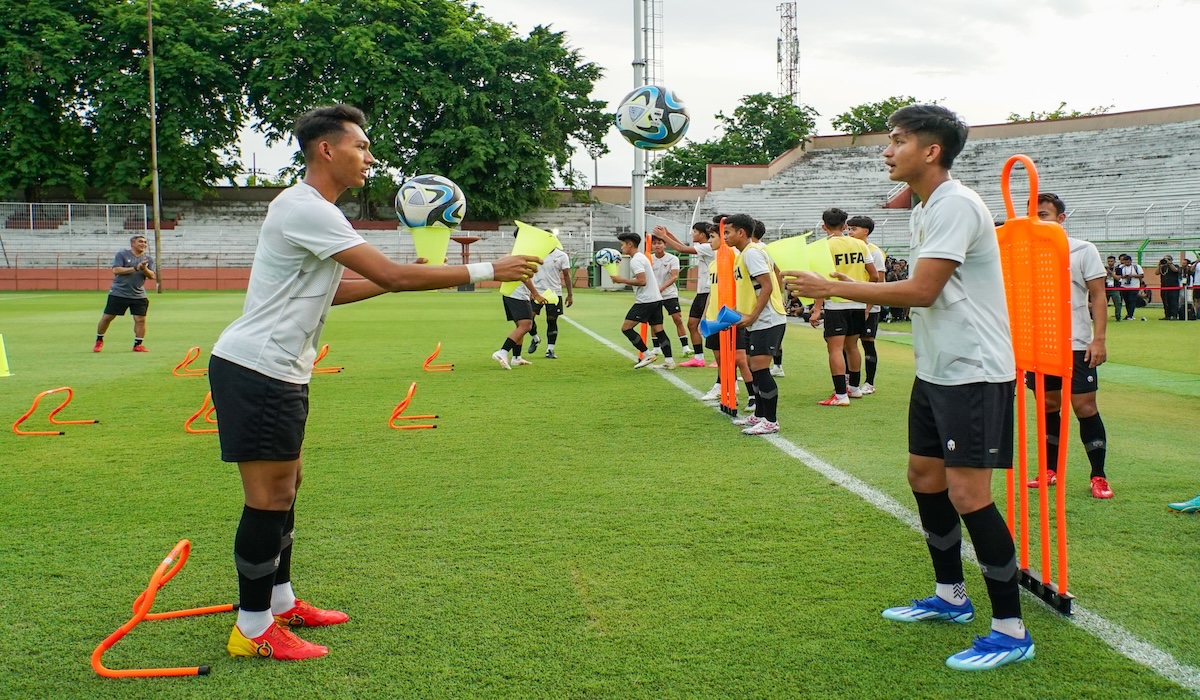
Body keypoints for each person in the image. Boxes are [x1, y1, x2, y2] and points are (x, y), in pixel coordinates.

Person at [208, 104, 537, 662]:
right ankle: (253, 627)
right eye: (360, 147)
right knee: (267, 499)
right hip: (257, 368)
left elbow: (340, 290)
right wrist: (485, 271)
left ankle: (280, 603)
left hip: (281, 368)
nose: (369, 157)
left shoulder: (316, 211)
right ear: (326, 150)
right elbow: (389, 273)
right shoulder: (306, 207)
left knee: (287, 490)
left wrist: (401, 279)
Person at [786, 104, 1033, 670]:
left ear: (931, 151)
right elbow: (924, 289)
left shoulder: (955, 204)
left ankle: (1011, 629)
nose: (886, 150)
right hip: (938, 368)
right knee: (924, 477)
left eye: (897, 140)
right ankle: (950, 597)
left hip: (973, 369)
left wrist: (834, 288)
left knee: (970, 495)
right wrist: (849, 286)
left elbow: (922, 292)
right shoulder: (926, 208)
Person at [1023, 193, 1112, 499]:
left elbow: (1098, 296)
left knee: (1085, 407)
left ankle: (1098, 475)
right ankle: (1050, 470)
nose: (1038, 220)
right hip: (1040, 344)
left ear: (1061, 219)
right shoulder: (1027, 252)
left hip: (1077, 344)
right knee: (1048, 406)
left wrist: (1098, 339)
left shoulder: (1083, 250)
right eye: (1033, 215)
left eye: (1044, 214)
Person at [722, 214, 787, 435]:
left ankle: (771, 420)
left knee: (760, 369)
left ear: (741, 232)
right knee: (753, 367)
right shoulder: (744, 255)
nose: (725, 237)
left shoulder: (752, 253)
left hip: (767, 319)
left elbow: (767, 286)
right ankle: (759, 414)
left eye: (728, 232)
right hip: (756, 320)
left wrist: (752, 316)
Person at [809, 207, 877, 406]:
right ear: (845, 225)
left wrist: (816, 309)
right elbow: (873, 275)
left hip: (836, 304)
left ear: (823, 226)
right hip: (857, 301)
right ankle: (854, 388)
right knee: (853, 346)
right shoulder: (860, 244)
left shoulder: (823, 247)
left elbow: (821, 280)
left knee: (835, 349)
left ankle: (840, 395)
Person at [653, 221, 717, 366]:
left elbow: (682, 249)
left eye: (694, 232)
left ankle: (719, 358)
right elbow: (683, 246)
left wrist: (665, 236)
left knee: (711, 325)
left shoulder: (708, 247)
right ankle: (699, 358)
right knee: (692, 324)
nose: (692, 234)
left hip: (709, 292)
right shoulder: (703, 247)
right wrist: (668, 235)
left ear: (702, 234)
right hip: (701, 292)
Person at [610, 232, 676, 369]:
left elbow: (642, 281)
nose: (621, 248)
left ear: (630, 244)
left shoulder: (636, 260)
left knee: (626, 328)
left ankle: (647, 354)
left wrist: (620, 280)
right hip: (655, 298)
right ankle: (669, 361)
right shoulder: (640, 257)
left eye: (622, 245)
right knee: (659, 330)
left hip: (646, 300)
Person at [493, 230, 546, 370]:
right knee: (526, 325)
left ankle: (516, 357)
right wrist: (536, 294)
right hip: (517, 295)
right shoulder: (521, 254)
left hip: (511, 294)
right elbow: (525, 276)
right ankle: (503, 352)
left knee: (520, 327)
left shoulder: (513, 254)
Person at [94, 234, 156, 352]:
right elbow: (116, 270)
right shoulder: (122, 254)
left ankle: (138, 344)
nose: (144, 244)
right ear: (133, 243)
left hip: (138, 294)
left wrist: (144, 268)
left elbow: (152, 275)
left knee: (140, 319)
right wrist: (135, 268)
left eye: (145, 242)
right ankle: (99, 340)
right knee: (108, 317)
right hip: (119, 292)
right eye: (140, 242)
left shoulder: (148, 259)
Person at [847, 215, 885, 394]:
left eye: (854, 229)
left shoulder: (874, 251)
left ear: (865, 231)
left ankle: (869, 382)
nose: (850, 232)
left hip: (869, 306)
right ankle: (850, 381)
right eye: (849, 228)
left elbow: (879, 282)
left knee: (867, 342)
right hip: (852, 304)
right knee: (849, 343)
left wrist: (868, 308)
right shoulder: (848, 248)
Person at [528, 242, 573, 359]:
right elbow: (530, 273)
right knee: (528, 319)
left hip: (554, 292)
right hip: (537, 292)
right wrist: (530, 291)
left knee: (551, 320)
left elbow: (567, 275)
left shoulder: (561, 256)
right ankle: (535, 338)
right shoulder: (536, 254)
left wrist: (570, 295)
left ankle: (550, 350)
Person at [651, 235, 689, 354]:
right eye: (654, 243)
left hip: (669, 294)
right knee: (655, 321)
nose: (657, 245)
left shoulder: (672, 259)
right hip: (654, 295)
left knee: (677, 319)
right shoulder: (649, 258)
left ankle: (685, 347)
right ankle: (656, 348)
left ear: (665, 245)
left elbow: (674, 277)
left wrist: (662, 288)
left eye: (659, 243)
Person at [1116, 254, 1143, 321]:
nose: (1127, 263)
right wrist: (1123, 277)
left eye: (1128, 262)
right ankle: (1128, 314)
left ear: (1131, 261)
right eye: (1125, 262)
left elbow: (1142, 275)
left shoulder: (1136, 267)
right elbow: (1118, 276)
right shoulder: (1121, 267)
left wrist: (1132, 276)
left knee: (1132, 300)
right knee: (1126, 301)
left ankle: (1131, 315)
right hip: (1124, 286)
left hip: (1134, 286)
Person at [1159, 256, 1181, 320]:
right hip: (1164, 287)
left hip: (1173, 287)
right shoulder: (1163, 267)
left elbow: (1175, 270)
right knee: (1165, 302)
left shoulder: (1175, 266)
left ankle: (1174, 315)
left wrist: (1169, 263)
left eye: (1168, 259)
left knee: (1173, 302)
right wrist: (1159, 264)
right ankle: (1167, 315)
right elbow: (1156, 272)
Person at [1104, 255, 1122, 322]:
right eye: (1108, 261)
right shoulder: (1103, 269)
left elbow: (1118, 278)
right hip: (1105, 288)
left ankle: (1118, 317)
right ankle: (1102, 317)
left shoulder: (1118, 269)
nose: (1110, 263)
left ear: (1114, 261)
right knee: (1103, 304)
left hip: (1115, 288)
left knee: (1117, 303)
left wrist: (1110, 272)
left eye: (1111, 261)